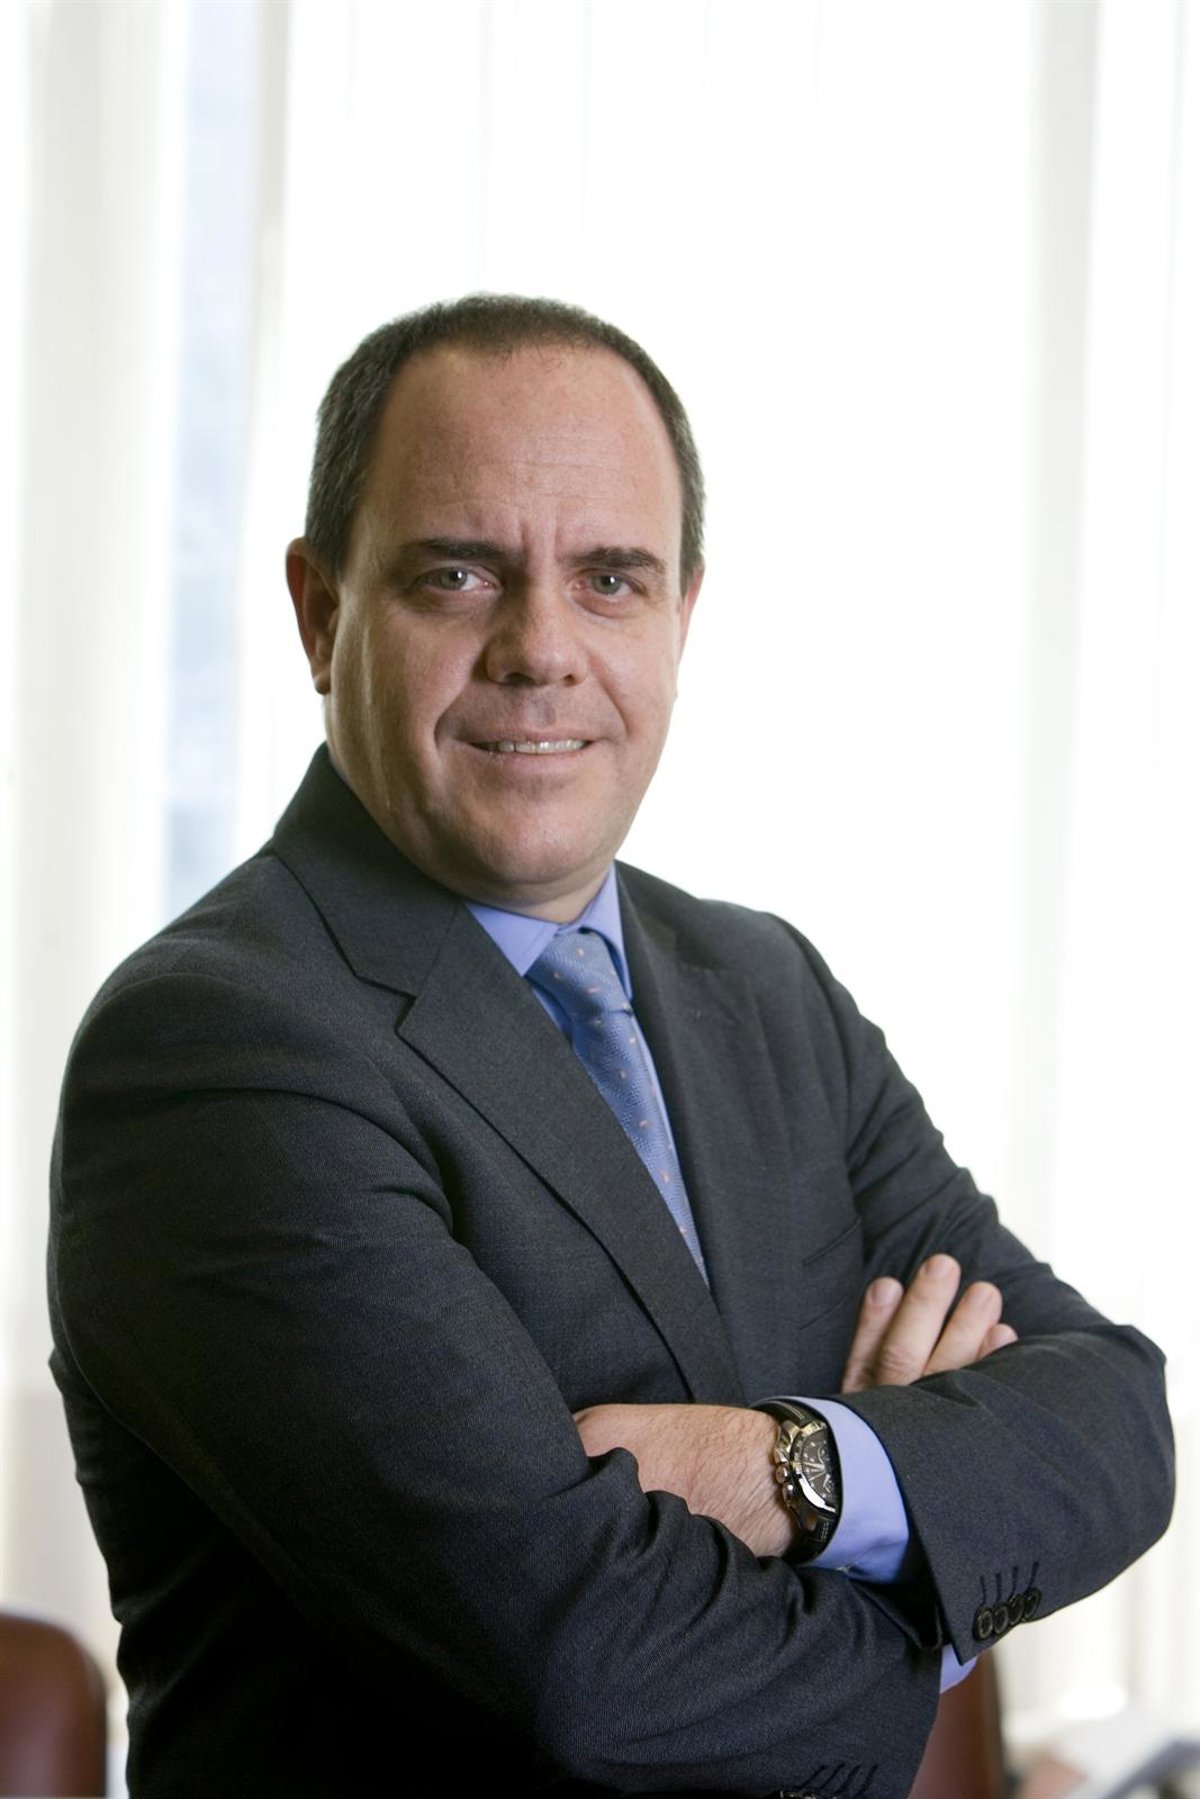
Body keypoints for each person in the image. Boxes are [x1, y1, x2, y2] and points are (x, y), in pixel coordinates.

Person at [48, 295, 1173, 1799]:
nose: (542, 650)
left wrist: (791, 1467)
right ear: (320, 613)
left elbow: (1115, 1418)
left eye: (610, 580)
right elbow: (584, 1668)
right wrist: (930, 1573)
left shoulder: (767, 991)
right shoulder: (218, 1049)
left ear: (681, 617)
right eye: (458, 574)